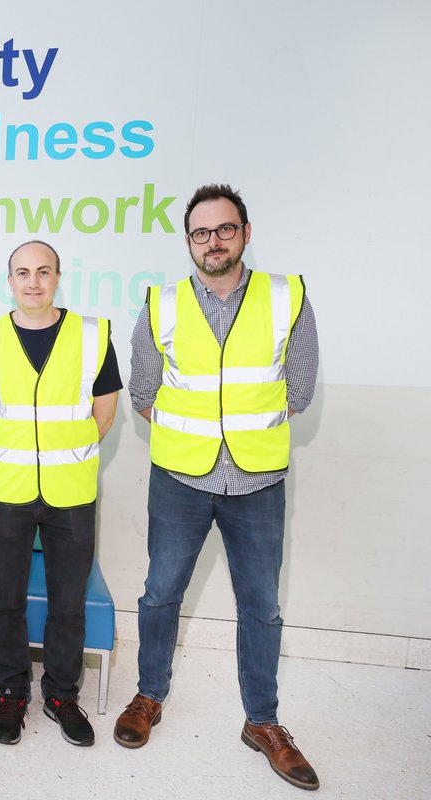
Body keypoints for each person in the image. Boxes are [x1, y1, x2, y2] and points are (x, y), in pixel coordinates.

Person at [118, 184, 320, 791]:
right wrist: (196, 438)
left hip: (258, 479)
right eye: (202, 233)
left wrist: (243, 432)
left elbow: (300, 387)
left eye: (225, 229)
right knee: (160, 594)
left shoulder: (288, 296)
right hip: (181, 478)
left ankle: (263, 722)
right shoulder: (162, 302)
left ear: (245, 233)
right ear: (189, 242)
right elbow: (144, 392)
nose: (214, 241)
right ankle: (149, 696)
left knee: (262, 606)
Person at [0, 241, 121, 747]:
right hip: (7, 490)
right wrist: (19, 454)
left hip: (71, 491)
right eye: (22, 273)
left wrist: (64, 453)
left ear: (58, 277)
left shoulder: (93, 335)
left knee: (68, 602)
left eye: (43, 272)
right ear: (9, 281)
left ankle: (60, 695)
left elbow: (104, 411)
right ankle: (11, 693)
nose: (33, 281)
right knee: (6, 600)